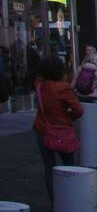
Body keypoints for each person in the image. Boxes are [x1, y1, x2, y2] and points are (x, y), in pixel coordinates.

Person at [33, 55, 83, 204]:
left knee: (49, 167)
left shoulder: (39, 85)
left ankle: (55, 201)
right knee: (69, 165)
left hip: (42, 129)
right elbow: (78, 110)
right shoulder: (62, 88)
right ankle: (71, 200)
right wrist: (68, 117)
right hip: (61, 130)